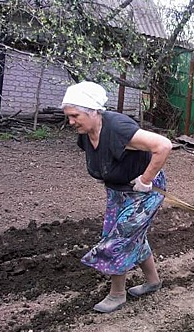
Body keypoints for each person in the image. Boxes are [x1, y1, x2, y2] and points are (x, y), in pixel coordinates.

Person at [61, 81, 173, 313]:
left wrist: (145, 179)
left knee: (118, 239)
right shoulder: (86, 132)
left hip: (145, 192)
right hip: (118, 191)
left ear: (93, 111)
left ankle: (117, 294)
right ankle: (153, 282)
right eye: (68, 116)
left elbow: (163, 146)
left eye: (75, 115)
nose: (70, 121)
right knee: (131, 236)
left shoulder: (118, 127)